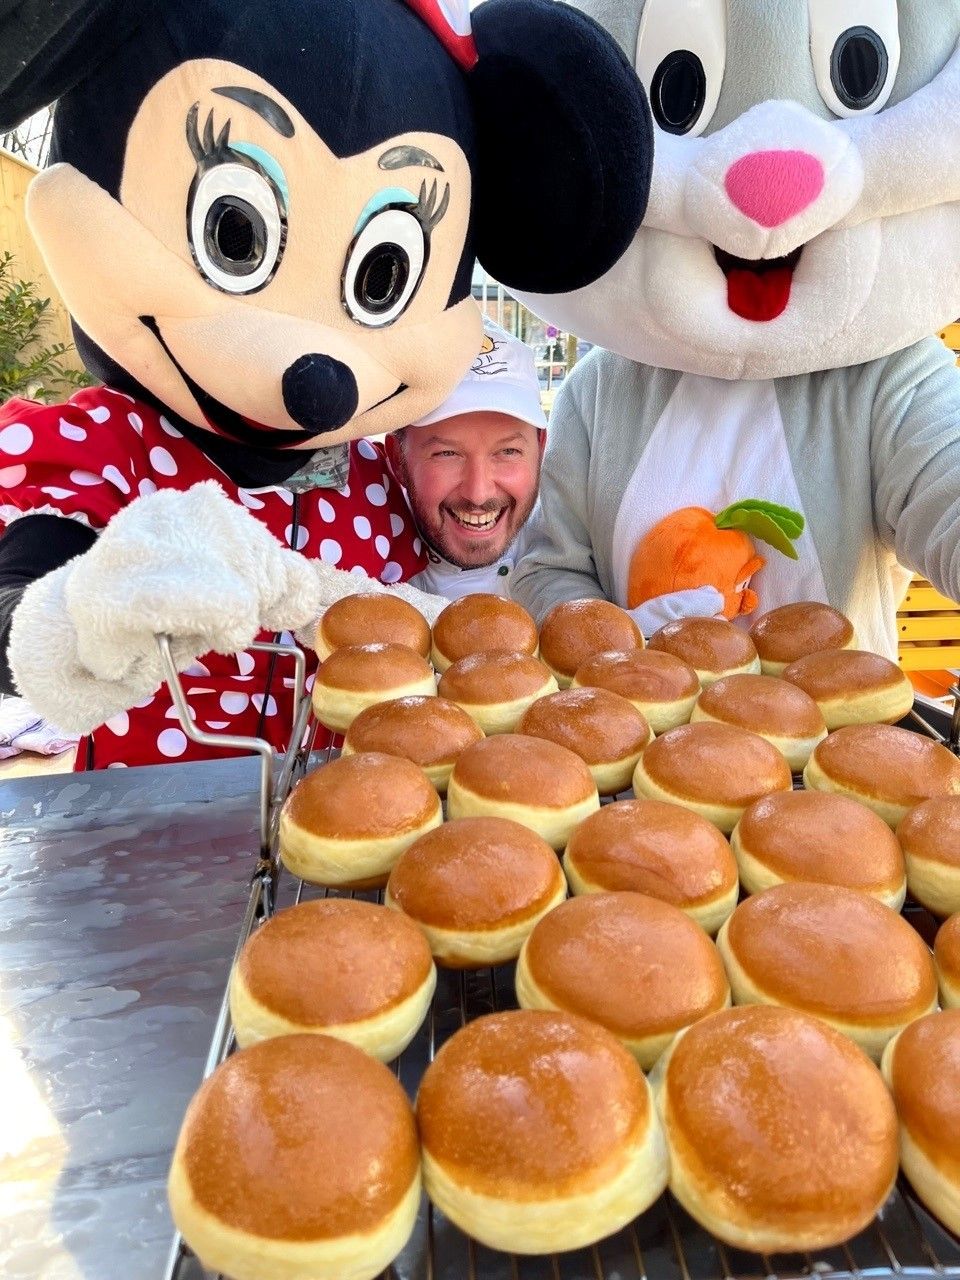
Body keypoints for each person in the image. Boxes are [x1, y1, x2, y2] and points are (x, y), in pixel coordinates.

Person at [385, 321, 547, 602]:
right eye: (447, 454)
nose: (478, 493)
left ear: (541, 449)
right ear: (398, 458)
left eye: (508, 451)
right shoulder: (358, 574)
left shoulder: (577, 556)